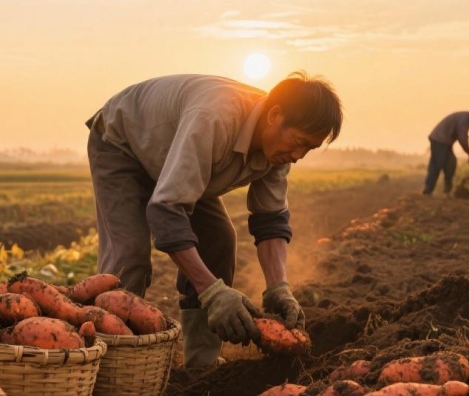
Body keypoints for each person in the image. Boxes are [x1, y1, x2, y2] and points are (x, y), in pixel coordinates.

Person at [85, 72, 343, 369]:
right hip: (123, 143)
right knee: (128, 255)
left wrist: (278, 287)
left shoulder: (278, 151)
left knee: (219, 238)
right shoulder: (215, 119)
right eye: (299, 142)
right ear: (274, 116)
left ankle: (201, 365)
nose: (299, 155)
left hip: (175, 155)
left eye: (309, 148)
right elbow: (166, 211)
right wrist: (212, 291)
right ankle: (108, 367)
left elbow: (270, 220)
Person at [422, 103, 469, 196]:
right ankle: (428, 190)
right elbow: (462, 139)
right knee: (437, 164)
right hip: (439, 140)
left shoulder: (465, 119)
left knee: (451, 164)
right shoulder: (464, 120)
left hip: (445, 143)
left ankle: (447, 192)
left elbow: (463, 138)